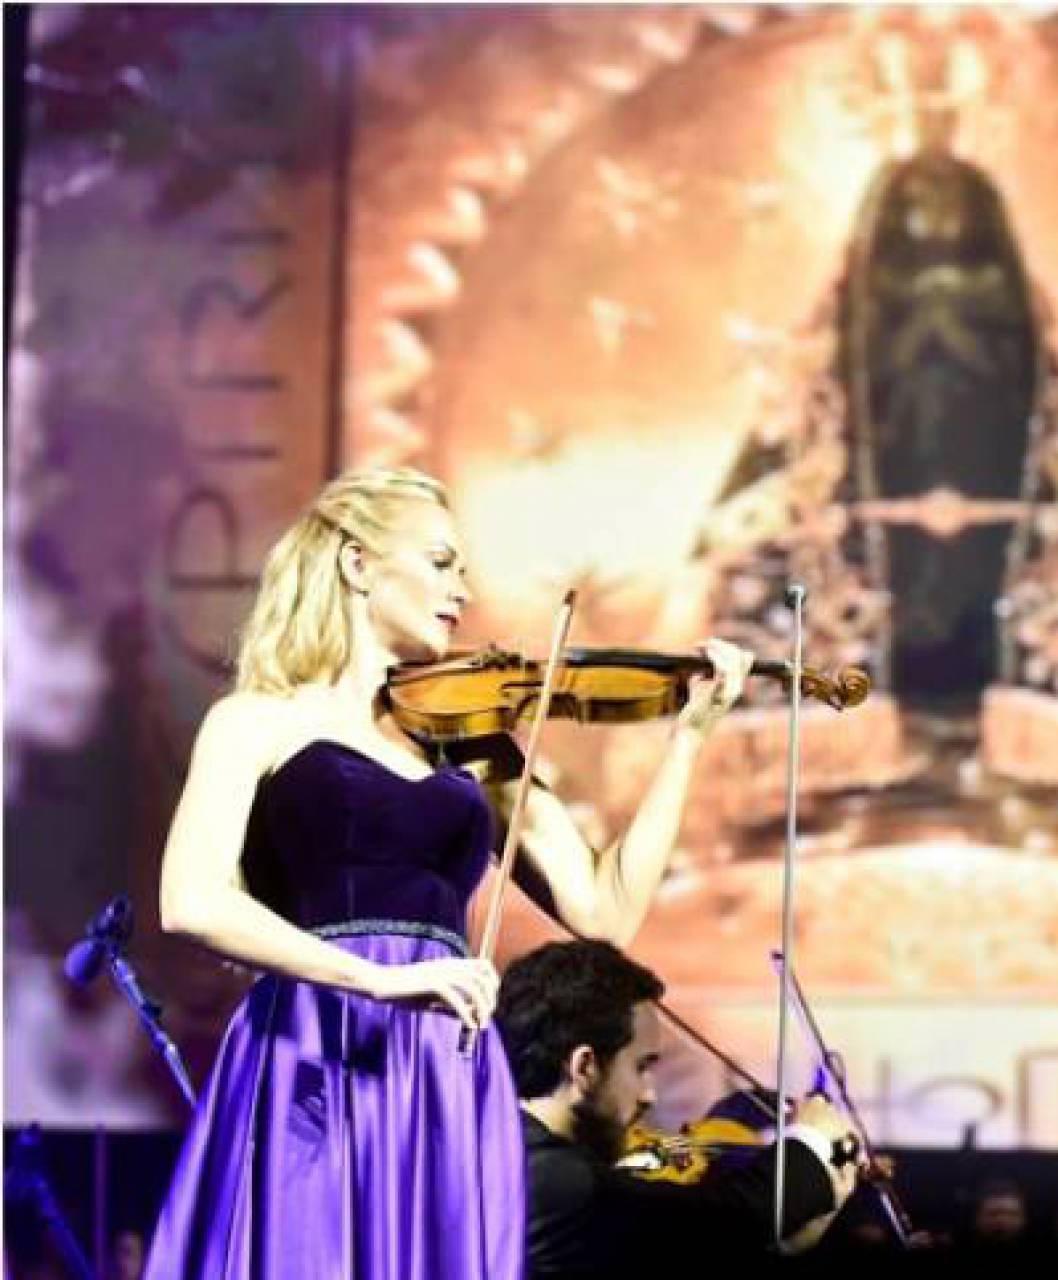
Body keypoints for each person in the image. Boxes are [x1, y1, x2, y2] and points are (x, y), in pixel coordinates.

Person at [145, 467, 752, 1277]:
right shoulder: (255, 721)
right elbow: (191, 900)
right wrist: (381, 981)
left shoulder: (471, 741)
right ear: (358, 564)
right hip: (318, 1046)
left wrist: (689, 739)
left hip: (442, 1060)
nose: (462, 589)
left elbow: (605, 912)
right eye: (440, 562)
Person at [497, 940, 861, 1272]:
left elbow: (675, 1243)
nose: (649, 1096)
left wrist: (786, 1240)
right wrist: (811, 1142)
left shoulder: (512, 1149)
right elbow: (731, 1215)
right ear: (585, 1067)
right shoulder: (555, 1180)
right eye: (641, 1067)